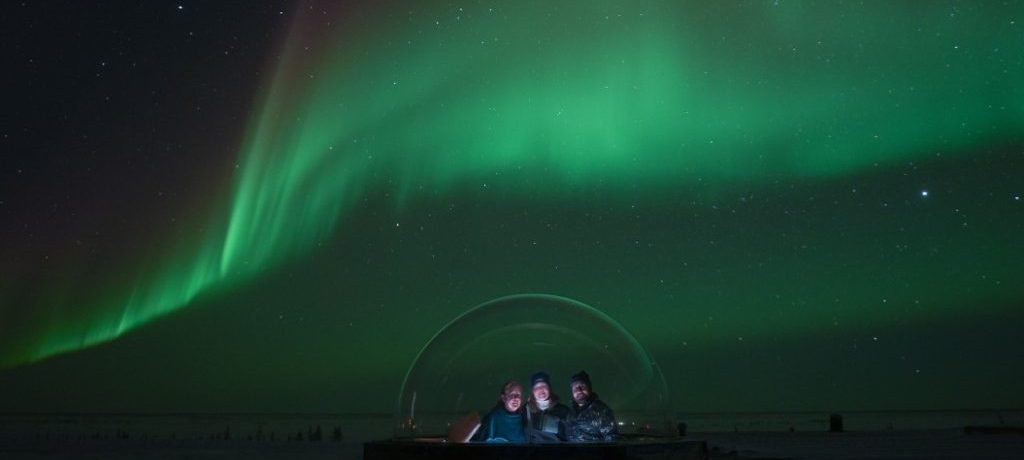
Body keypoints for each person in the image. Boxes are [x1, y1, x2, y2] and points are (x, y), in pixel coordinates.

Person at [566, 370, 618, 442]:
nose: (579, 390)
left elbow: (612, 440)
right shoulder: (570, 413)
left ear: (589, 388)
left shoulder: (602, 410)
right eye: (575, 388)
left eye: (582, 386)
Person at [525, 371, 570, 442]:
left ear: (549, 388)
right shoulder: (524, 411)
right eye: (537, 387)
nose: (541, 389)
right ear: (532, 391)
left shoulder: (564, 411)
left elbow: (568, 437)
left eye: (544, 386)